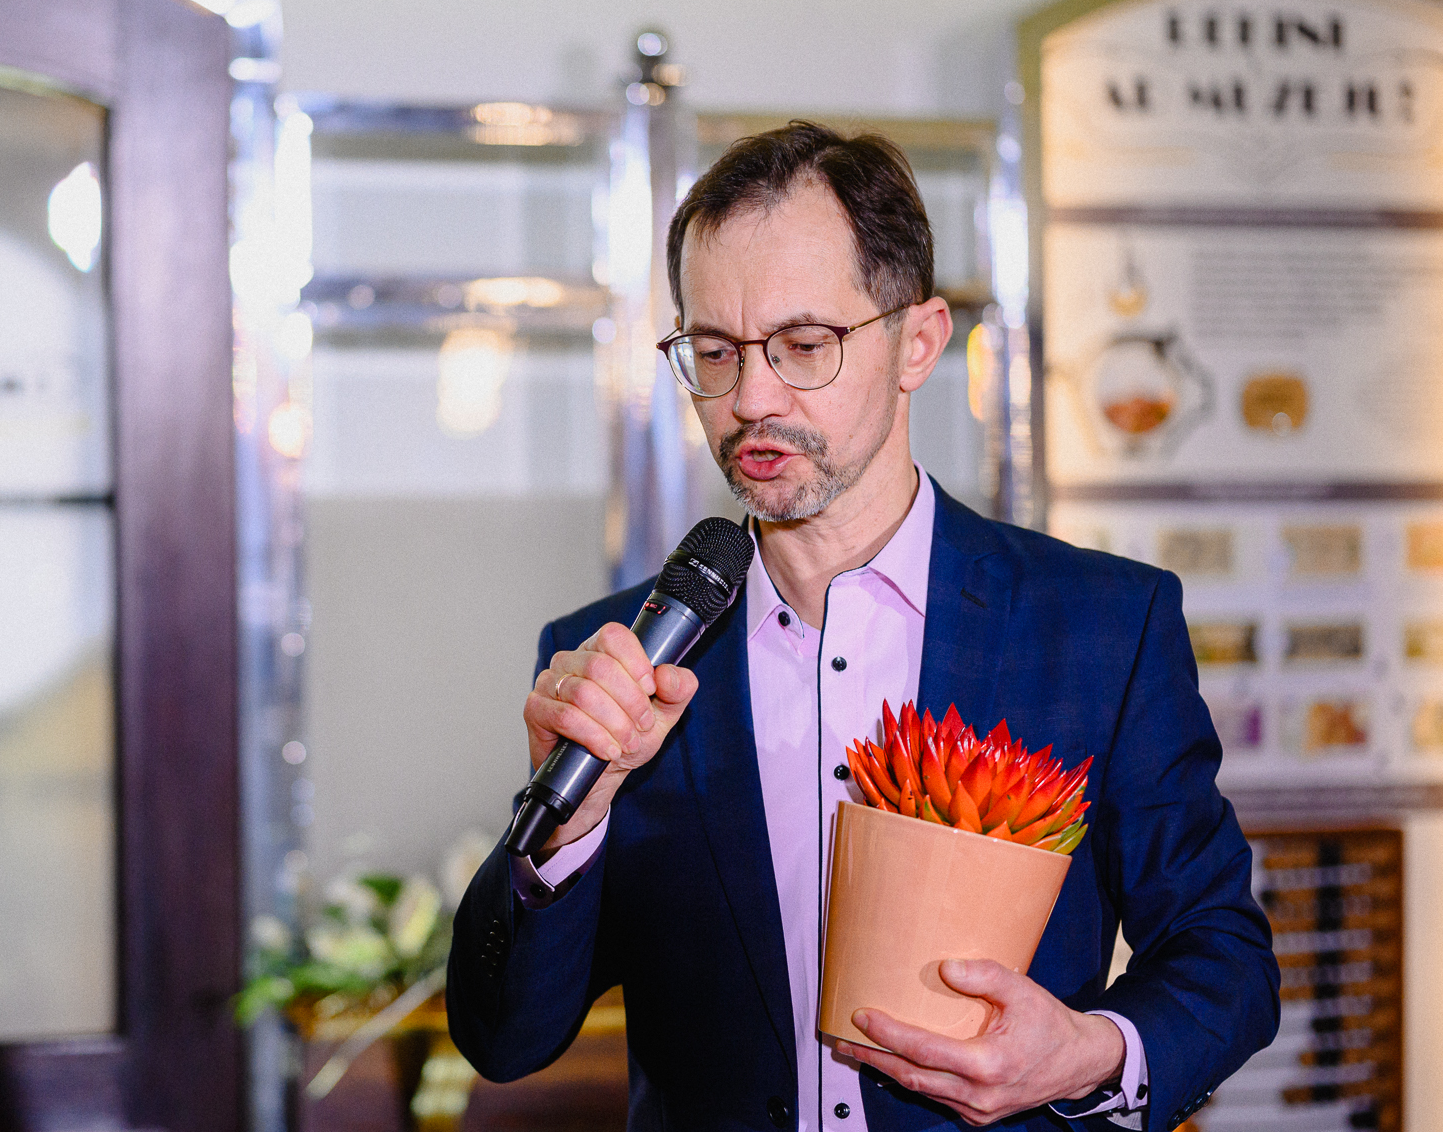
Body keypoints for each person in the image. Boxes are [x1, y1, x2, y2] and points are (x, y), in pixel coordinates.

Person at [445, 122, 1277, 1132]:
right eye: (714, 351)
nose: (750, 399)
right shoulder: (615, 661)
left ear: (916, 342)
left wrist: (1088, 1053)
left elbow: (1223, 953)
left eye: (803, 346)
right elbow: (503, 1037)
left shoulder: (1100, 626)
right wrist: (567, 824)